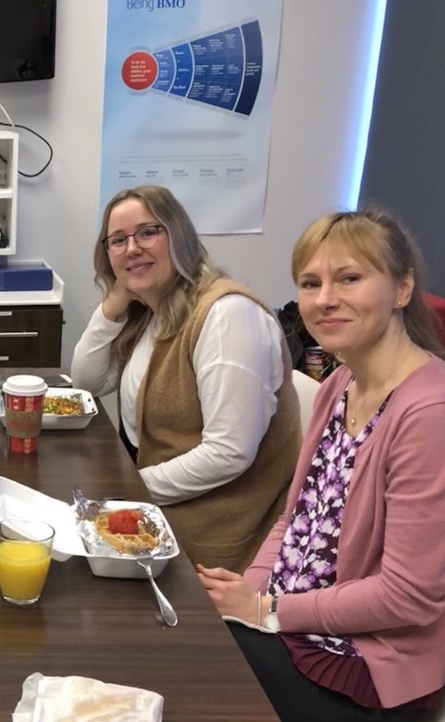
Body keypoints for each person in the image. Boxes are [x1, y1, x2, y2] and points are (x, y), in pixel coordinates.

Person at [88, 210, 445, 722]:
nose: (323, 298)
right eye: (310, 282)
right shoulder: (343, 384)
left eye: (349, 277)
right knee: (133, 630)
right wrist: (245, 594)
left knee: (148, 673)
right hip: (304, 631)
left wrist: (268, 610)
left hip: (369, 675)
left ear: (402, 288)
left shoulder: (435, 414)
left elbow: (410, 596)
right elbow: (294, 517)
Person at [71, 185, 300, 571]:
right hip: (164, 503)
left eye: (148, 232)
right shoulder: (151, 312)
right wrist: (113, 304)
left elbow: (229, 452)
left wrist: (131, 488)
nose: (132, 248)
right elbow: (86, 384)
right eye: (118, 240)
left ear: (178, 234)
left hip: (220, 530)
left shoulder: (227, 316)